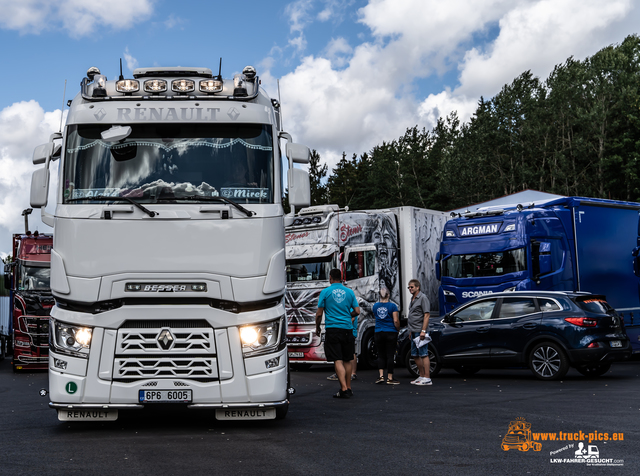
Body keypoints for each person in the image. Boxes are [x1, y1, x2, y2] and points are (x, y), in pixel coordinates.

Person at [316, 269, 361, 398]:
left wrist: (317, 327)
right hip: (347, 328)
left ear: (330, 278)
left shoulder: (325, 292)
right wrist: (347, 315)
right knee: (347, 359)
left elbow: (319, 314)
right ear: (340, 278)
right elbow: (357, 311)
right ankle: (349, 388)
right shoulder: (349, 292)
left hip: (333, 329)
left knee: (337, 359)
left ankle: (343, 389)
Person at [373, 287, 400, 384]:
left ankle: (380, 376)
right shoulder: (393, 306)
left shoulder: (375, 306)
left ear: (379, 295)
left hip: (378, 332)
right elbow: (396, 321)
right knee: (390, 355)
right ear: (388, 295)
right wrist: (398, 329)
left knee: (380, 354)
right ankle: (390, 377)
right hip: (390, 332)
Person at [408, 279, 432, 386]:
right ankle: (421, 375)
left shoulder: (423, 298)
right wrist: (410, 331)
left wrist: (423, 330)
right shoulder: (413, 299)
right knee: (414, 354)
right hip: (413, 330)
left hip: (420, 330)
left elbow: (426, 315)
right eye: (409, 287)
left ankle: (427, 377)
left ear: (418, 287)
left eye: (412, 287)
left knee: (423, 354)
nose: (410, 289)